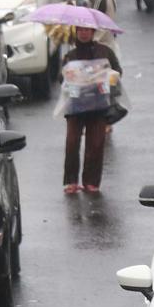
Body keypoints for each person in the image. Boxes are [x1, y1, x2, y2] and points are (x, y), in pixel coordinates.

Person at [61, 27, 121, 194]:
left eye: (87, 30)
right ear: (76, 32)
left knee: (96, 144)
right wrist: (69, 75)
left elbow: (117, 72)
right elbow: (62, 79)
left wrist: (105, 77)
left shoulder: (105, 51)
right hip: (75, 106)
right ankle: (71, 181)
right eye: (80, 30)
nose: (84, 33)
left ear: (93, 32)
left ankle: (91, 181)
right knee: (72, 143)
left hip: (98, 105)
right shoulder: (70, 55)